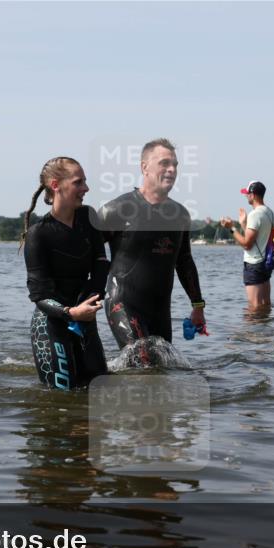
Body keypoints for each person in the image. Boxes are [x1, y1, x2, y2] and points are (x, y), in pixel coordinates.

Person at [98, 138, 205, 348]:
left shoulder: (180, 215)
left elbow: (184, 262)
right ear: (144, 167)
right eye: (164, 163)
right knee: (142, 361)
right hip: (122, 302)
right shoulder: (118, 210)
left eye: (175, 165)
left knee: (161, 368)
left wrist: (198, 306)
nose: (172, 169)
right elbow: (87, 253)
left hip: (160, 309)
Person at [22, 156, 109, 390]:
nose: (86, 189)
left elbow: (101, 266)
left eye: (85, 182)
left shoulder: (89, 219)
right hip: (52, 320)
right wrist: (71, 313)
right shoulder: (38, 234)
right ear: (55, 185)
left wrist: (89, 301)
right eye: (78, 182)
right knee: (63, 397)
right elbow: (39, 296)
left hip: (84, 315)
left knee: (99, 388)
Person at [220, 180, 274, 309]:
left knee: (254, 306)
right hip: (265, 263)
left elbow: (247, 244)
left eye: (247, 193)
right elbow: (257, 238)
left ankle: (251, 329)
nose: (246, 196)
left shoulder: (255, 214)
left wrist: (231, 228)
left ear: (253, 195)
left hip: (254, 264)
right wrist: (243, 223)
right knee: (265, 305)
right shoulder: (269, 212)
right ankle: (265, 328)